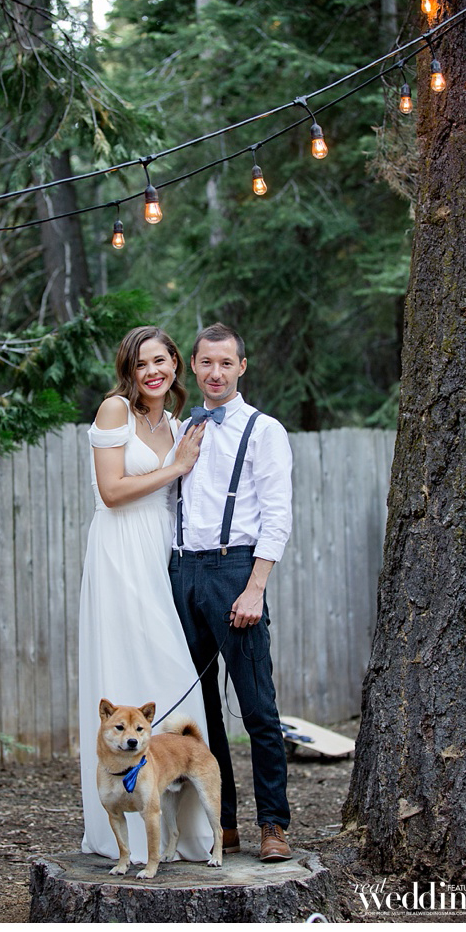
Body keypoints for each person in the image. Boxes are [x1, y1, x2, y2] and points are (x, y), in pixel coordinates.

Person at [78, 325, 214, 864]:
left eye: (161, 360)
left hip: (162, 552)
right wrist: (176, 466)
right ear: (129, 372)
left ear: (176, 363)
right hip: (119, 550)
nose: (152, 371)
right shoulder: (115, 410)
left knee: (175, 680)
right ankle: (125, 835)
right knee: (129, 663)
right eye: (141, 364)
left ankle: (182, 832)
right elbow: (112, 491)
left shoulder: (177, 425)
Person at [169, 322, 294, 862]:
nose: (215, 373)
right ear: (193, 367)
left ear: (242, 367)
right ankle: (224, 824)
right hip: (181, 573)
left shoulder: (265, 430)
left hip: (235, 571)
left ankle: (273, 825)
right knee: (202, 712)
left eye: (226, 363)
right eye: (206, 363)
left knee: (258, 707)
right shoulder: (181, 428)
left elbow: (277, 514)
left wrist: (255, 587)